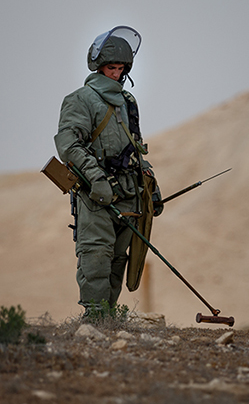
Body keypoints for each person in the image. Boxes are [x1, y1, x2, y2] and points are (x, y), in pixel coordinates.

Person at [54, 26, 161, 316]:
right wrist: (97, 179)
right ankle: (95, 322)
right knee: (96, 259)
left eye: (120, 67)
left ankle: (109, 323)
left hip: (128, 194)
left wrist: (151, 183)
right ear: (99, 67)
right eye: (110, 67)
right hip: (95, 196)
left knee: (117, 261)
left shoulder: (128, 102)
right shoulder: (80, 99)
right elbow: (68, 145)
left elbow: (136, 146)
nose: (115, 73)